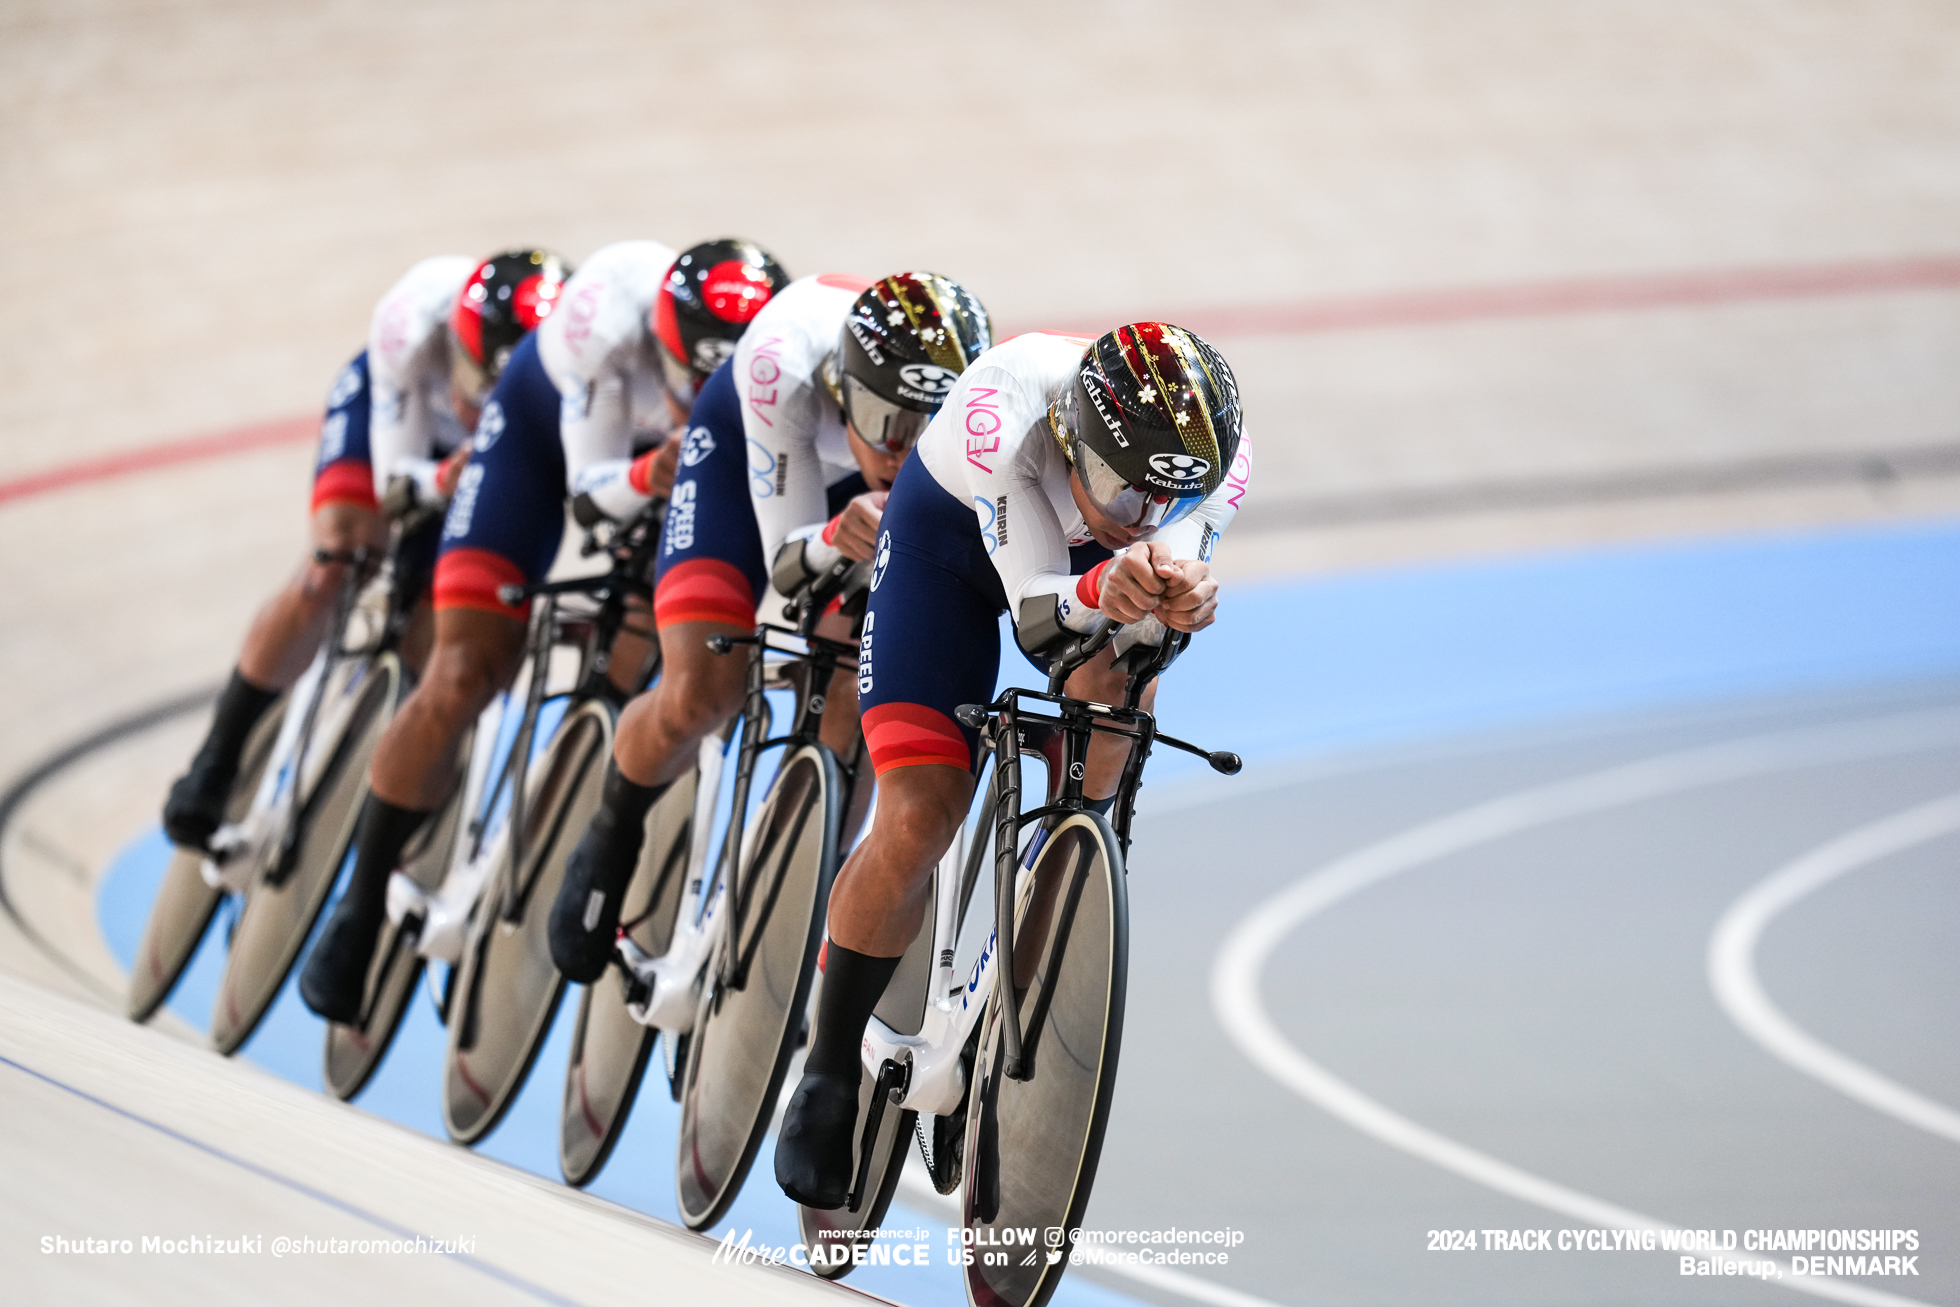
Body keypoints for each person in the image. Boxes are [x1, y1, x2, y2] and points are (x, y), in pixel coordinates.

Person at [772, 322, 1252, 1208]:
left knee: (1121, 707)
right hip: (950, 543)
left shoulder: (1214, 464)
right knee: (921, 812)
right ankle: (831, 1062)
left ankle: (1029, 953)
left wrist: (1179, 595)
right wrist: (1106, 583)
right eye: (1116, 485)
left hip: (1079, 572)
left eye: (1161, 502)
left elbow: (1154, 592)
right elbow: (1039, 620)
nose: (1132, 515)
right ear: (1075, 436)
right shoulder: (1009, 408)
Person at [298, 237, 788, 1023]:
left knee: (660, 652)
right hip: (549, 430)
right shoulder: (603, 328)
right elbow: (589, 496)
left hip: (666, 448)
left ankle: (581, 805)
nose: (703, 390)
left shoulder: (763, 369)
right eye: (691, 375)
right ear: (660, 345)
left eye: (716, 380)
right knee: (465, 668)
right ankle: (357, 904)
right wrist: (644, 474)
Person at [546, 271, 995, 984]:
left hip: (860, 494)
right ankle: (612, 829)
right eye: (884, 418)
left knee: (860, 688)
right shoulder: (781, 366)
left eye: (925, 424)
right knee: (702, 691)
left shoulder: (979, 418)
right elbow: (787, 565)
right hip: (747, 448)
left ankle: (790, 898)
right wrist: (830, 540)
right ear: (842, 386)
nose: (900, 445)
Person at [160, 250, 570, 853]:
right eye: (472, 387)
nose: (476, 408)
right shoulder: (412, 319)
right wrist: (439, 479)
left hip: (498, 459)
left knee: (453, 648)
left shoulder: (567, 371)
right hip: (396, 427)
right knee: (341, 555)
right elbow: (393, 486)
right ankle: (218, 757)